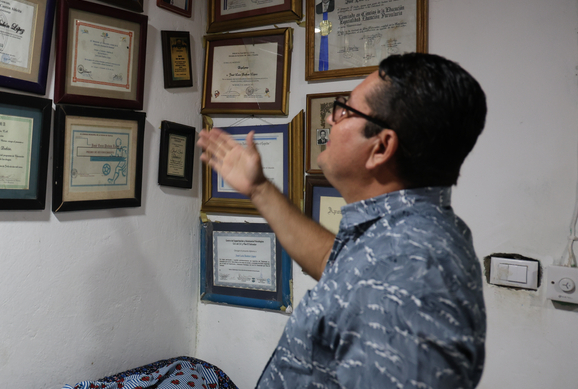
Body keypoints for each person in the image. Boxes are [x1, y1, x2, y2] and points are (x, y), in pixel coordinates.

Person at [198, 53, 488, 388]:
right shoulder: (402, 234)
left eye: (346, 110)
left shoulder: (410, 270)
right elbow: (337, 266)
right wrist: (259, 188)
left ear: (381, 147)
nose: (331, 118)